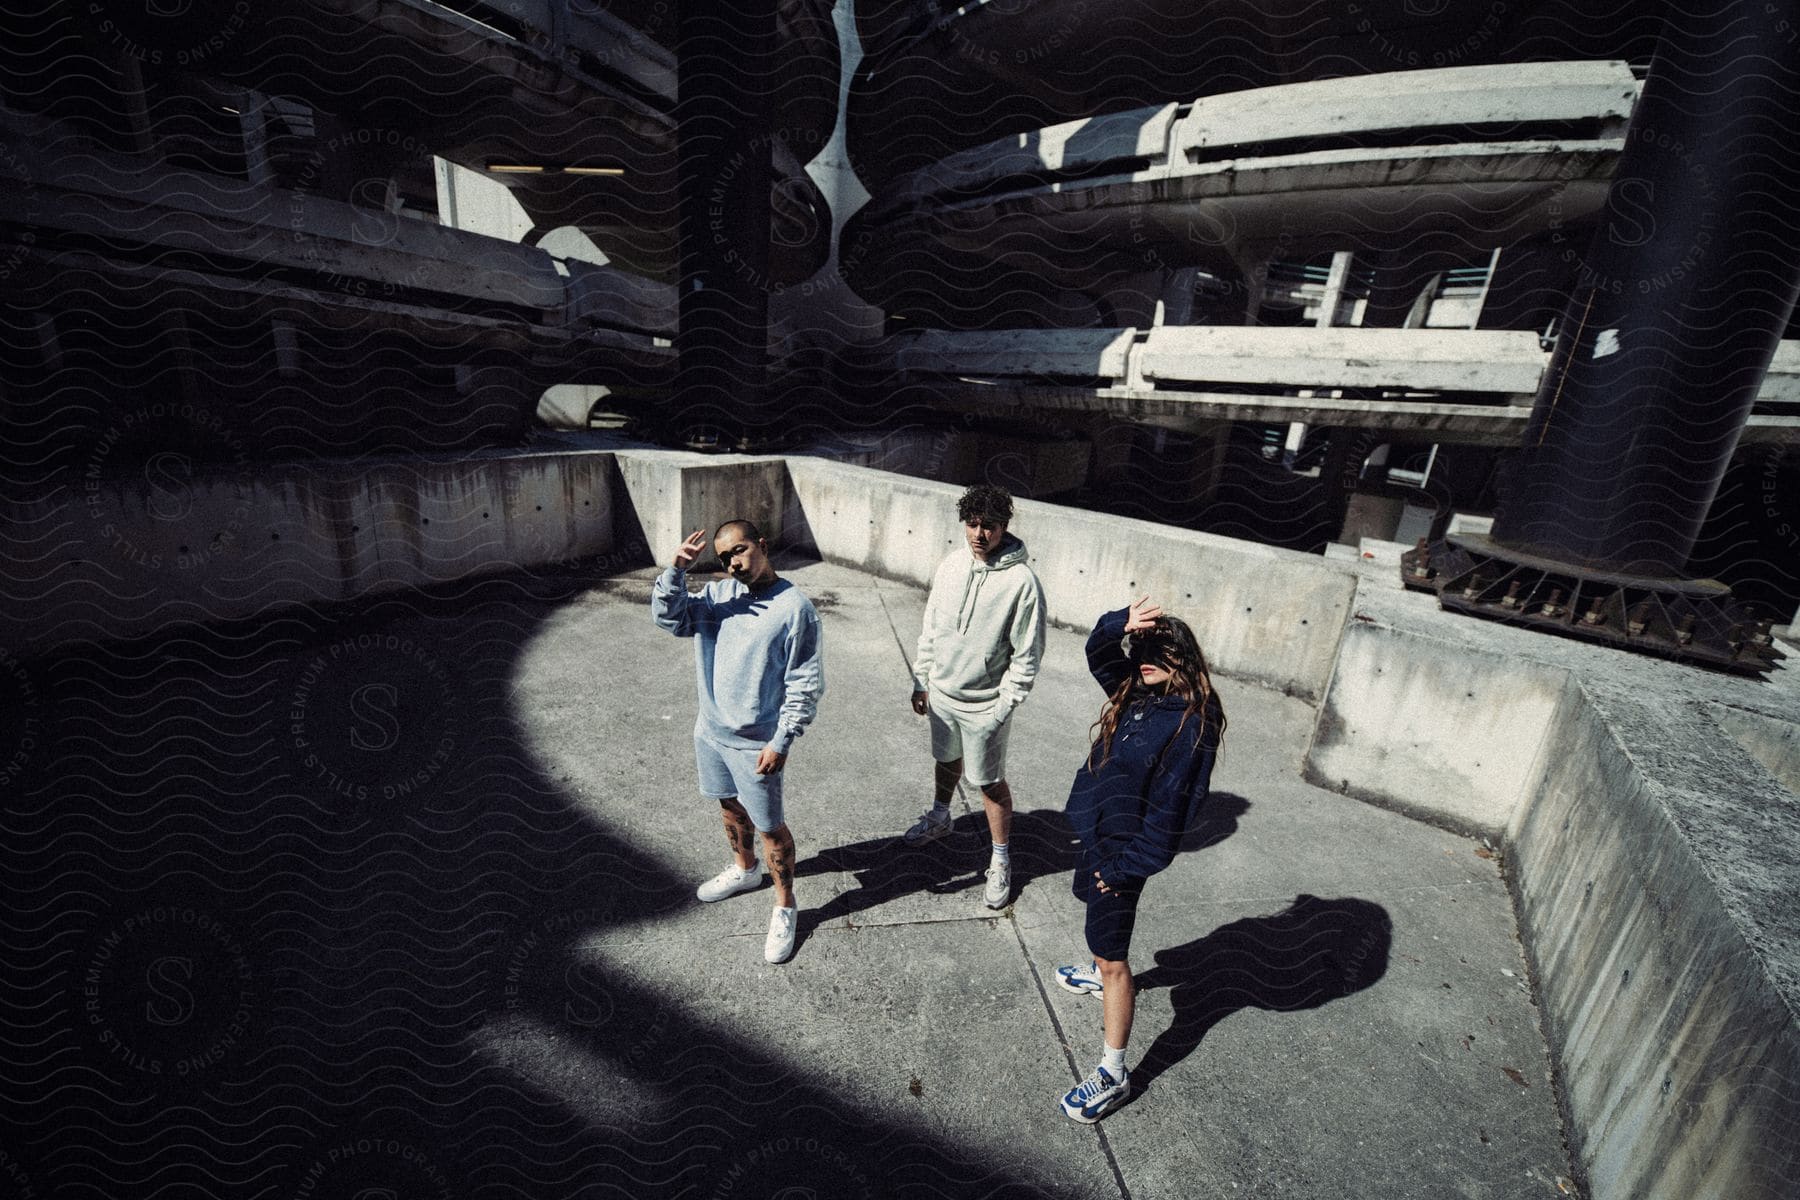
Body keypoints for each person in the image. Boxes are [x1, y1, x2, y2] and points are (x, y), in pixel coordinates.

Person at [1054, 595, 1226, 1123]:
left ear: (1184, 658)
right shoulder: (1138, 692)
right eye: (1141, 646)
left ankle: (1113, 1073)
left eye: (1159, 649)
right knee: (1091, 916)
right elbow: (1097, 652)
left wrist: (1122, 870)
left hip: (1122, 857)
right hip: (1098, 835)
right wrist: (1118, 623)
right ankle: (1100, 966)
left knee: (1114, 957)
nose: (1144, 656)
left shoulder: (1189, 726)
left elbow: (1169, 819)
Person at [651, 519, 825, 964]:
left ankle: (785, 904)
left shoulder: (794, 608)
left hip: (756, 743)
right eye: (725, 557)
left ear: (762, 545)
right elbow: (669, 619)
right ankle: (746, 871)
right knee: (728, 804)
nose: (733, 562)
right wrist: (676, 571)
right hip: (710, 730)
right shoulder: (716, 597)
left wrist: (782, 740)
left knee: (771, 828)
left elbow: (804, 684)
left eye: (740, 550)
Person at [904, 484, 1046, 910]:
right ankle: (940, 816)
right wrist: (921, 678)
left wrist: (1004, 706)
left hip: (986, 705)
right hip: (943, 693)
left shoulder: (1022, 583)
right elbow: (932, 626)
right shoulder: (950, 564)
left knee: (988, 782)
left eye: (989, 526)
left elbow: (1028, 653)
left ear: (1004, 528)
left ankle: (1000, 859)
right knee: (945, 759)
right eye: (972, 524)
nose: (979, 534)